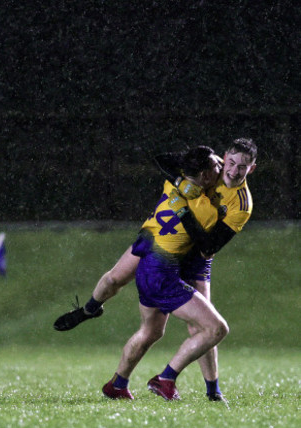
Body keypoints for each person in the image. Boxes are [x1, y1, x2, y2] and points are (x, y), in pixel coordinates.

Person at [54, 139, 256, 402]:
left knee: (180, 328)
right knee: (118, 279)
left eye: (242, 167)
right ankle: (91, 311)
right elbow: (163, 158)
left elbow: (208, 247)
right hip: (163, 249)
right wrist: (180, 182)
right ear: (223, 157)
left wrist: (181, 203)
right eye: (230, 163)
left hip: (189, 255)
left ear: (251, 169)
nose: (232, 171)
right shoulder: (209, 166)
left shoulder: (240, 204)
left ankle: (207, 390)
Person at [99, 146, 231, 401]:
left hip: (164, 263)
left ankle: (117, 384)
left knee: (153, 331)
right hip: (165, 267)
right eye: (219, 164)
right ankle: (166, 379)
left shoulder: (180, 184)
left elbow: (162, 158)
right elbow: (206, 246)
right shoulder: (194, 195)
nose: (224, 166)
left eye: (230, 163)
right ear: (204, 175)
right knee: (213, 328)